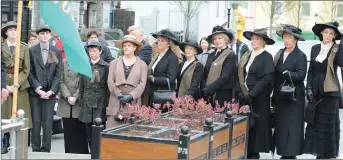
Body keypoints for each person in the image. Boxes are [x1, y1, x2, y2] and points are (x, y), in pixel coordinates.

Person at [304, 21, 343, 159]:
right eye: (326, 32)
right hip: (315, 92)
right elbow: (311, 71)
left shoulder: (337, 48)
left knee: (328, 125)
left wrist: (342, 43)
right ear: (321, 33)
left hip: (330, 92)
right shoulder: (315, 48)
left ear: (334, 36)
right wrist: (308, 88)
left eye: (331, 33)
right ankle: (319, 153)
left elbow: (342, 63)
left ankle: (327, 155)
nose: (328, 35)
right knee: (316, 125)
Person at [235, 28, 275, 159]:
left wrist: (252, 94)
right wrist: (240, 92)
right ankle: (245, 150)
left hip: (258, 98)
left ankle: (254, 153)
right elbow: (239, 74)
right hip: (244, 96)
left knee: (257, 126)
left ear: (263, 42)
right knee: (245, 125)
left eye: (257, 39)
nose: (254, 41)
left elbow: (267, 78)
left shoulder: (266, 56)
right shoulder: (247, 54)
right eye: (252, 38)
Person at [272, 24, 307, 159]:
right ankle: (282, 152)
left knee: (292, 126)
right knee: (281, 125)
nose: (286, 40)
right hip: (280, 94)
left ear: (295, 39)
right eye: (285, 37)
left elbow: (301, 75)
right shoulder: (280, 53)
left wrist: (287, 73)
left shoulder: (300, 55)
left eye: (289, 38)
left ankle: (291, 153)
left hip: (294, 97)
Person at [28, 25, 62, 152]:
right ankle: (36, 148)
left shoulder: (56, 51)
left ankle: (46, 149)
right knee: (36, 122)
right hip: (35, 93)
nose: (44, 35)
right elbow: (29, 72)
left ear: (50, 35)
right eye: (42, 33)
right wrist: (37, 88)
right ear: (37, 35)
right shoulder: (31, 50)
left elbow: (58, 74)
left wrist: (52, 90)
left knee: (47, 123)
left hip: (50, 94)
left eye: (47, 33)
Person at [1, 21, 32, 154]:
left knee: (20, 114)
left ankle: (20, 143)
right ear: (6, 32)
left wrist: (16, 84)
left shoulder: (24, 48)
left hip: (19, 86)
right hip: (4, 84)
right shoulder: (1, 46)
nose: (13, 32)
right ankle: (5, 142)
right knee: (5, 114)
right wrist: (4, 86)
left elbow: (26, 69)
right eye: (11, 30)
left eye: (16, 30)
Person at [107, 35, 148, 128]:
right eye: (124, 45)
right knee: (112, 132)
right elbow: (110, 81)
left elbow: (142, 84)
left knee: (130, 132)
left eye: (129, 45)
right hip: (116, 101)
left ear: (134, 48)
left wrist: (130, 96)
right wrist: (119, 94)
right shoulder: (114, 63)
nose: (126, 47)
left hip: (133, 102)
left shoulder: (142, 65)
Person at [79, 41, 109, 150]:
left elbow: (108, 86)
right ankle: (91, 151)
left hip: (100, 101)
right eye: (90, 51)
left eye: (94, 51)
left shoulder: (105, 66)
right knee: (88, 129)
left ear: (100, 51)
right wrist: (81, 101)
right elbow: (81, 85)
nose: (92, 53)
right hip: (87, 101)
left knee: (99, 127)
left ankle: (98, 152)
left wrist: (107, 103)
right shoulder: (85, 65)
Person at [57, 59, 89, 154]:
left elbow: (84, 82)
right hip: (65, 101)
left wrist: (75, 96)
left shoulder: (83, 62)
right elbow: (60, 80)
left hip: (78, 101)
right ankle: (69, 152)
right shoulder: (63, 62)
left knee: (80, 129)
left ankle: (81, 152)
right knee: (68, 129)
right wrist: (67, 96)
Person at [141, 29, 179, 107]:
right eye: (158, 40)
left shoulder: (172, 57)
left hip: (162, 95)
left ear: (169, 44)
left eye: (163, 41)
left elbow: (171, 79)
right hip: (152, 92)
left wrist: (154, 79)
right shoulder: (157, 55)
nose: (159, 42)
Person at [202, 25, 236, 107]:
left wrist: (209, 89)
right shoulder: (211, 54)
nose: (217, 41)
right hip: (208, 93)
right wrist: (204, 88)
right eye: (215, 39)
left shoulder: (230, 55)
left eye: (219, 38)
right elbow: (205, 72)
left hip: (222, 94)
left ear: (225, 39)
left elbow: (225, 77)